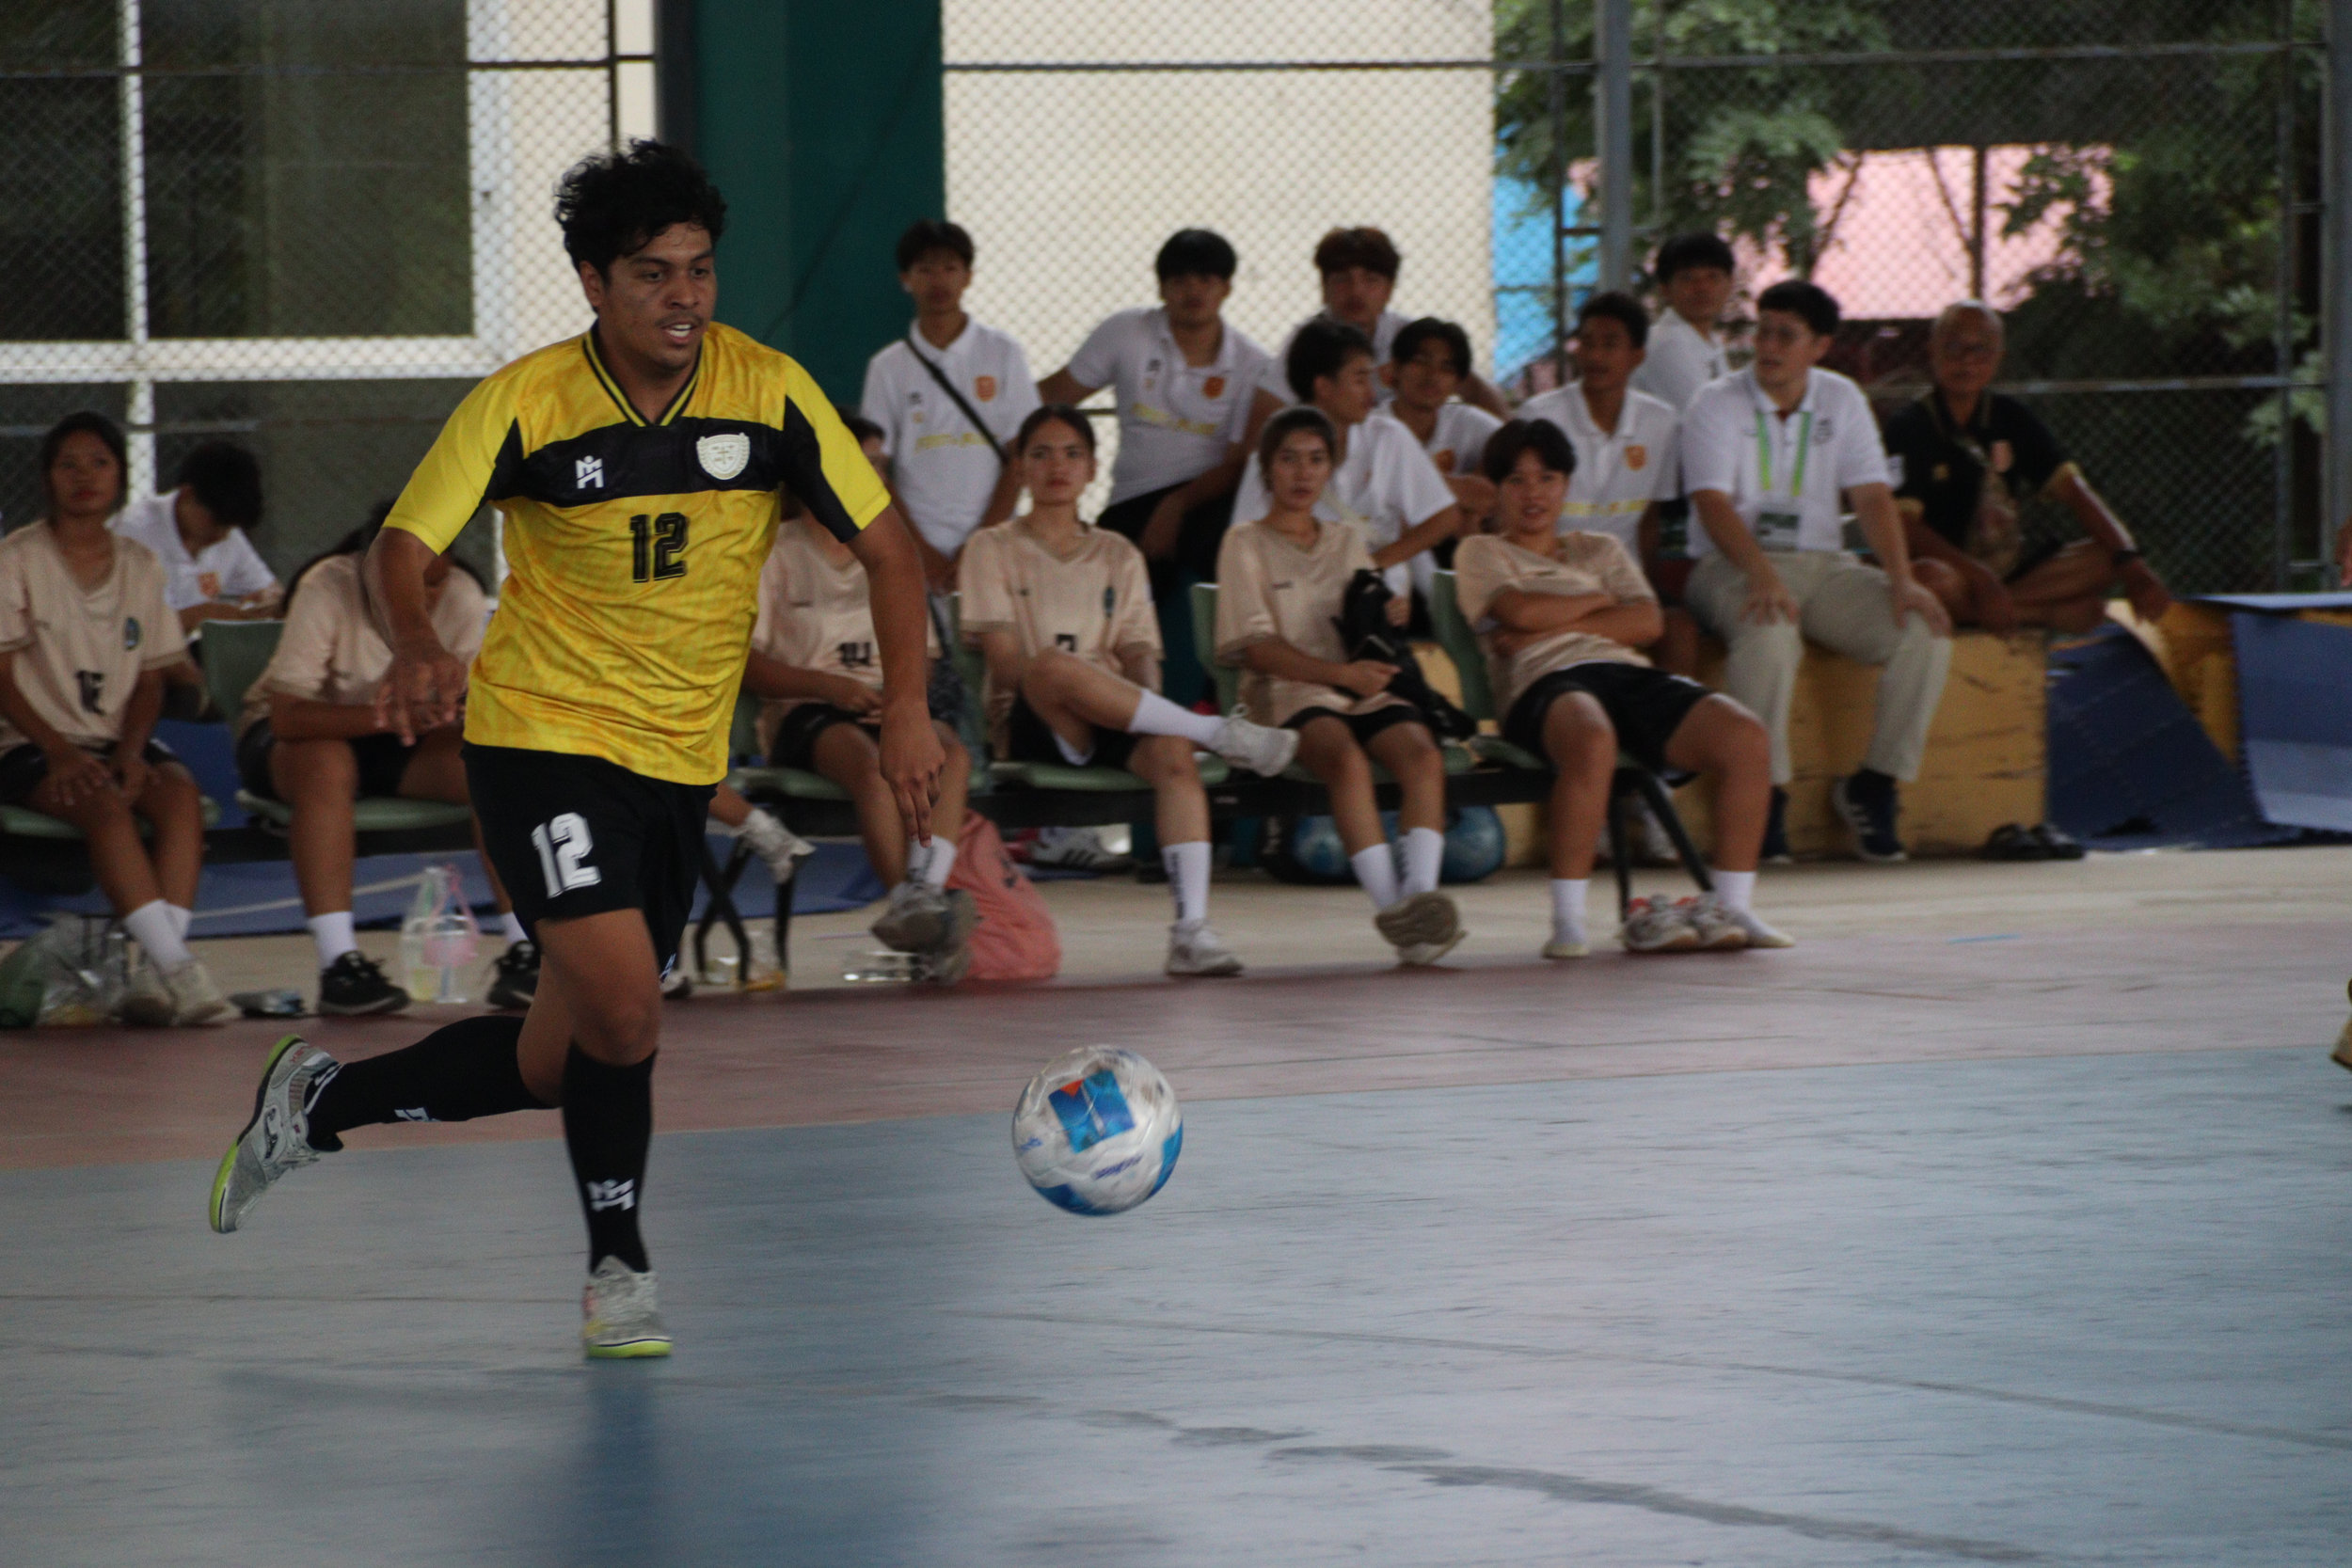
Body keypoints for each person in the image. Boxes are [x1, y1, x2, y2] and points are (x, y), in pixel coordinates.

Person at [206, 141, 944, 1364]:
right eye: (653, 274)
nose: (684, 298)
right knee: (627, 1002)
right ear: (594, 282)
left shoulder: (770, 393)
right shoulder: (525, 401)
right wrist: (414, 643)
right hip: (540, 739)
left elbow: (892, 551)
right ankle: (619, 1268)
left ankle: (318, 1100)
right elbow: (404, 547)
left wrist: (908, 704)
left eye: (700, 270)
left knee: (564, 1054)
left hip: (677, 764)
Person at [959, 405, 1298, 977]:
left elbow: (1141, 654)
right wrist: (1085, 685)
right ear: (1019, 469)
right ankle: (1219, 733)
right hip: (1034, 718)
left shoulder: (1119, 552)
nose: (1058, 466)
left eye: (1072, 454)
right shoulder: (991, 547)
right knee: (1052, 666)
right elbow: (1007, 667)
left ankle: (1190, 931)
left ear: (1093, 468)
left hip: (1113, 715)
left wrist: (1145, 711)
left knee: (1172, 754)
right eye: (1041, 454)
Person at [1454, 420, 1789, 958]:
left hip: (1624, 673)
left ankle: (1731, 908)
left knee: (1746, 736)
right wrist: (1598, 601)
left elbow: (1648, 623)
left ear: (1566, 485)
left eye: (1547, 478)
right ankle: (1568, 921)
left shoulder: (1601, 548)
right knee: (1592, 739)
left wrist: (1553, 620)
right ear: (1496, 490)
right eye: (1516, 481)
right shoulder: (1481, 551)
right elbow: (1520, 611)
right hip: (1543, 682)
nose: (1533, 493)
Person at [1680, 279, 1953, 863]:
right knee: (1770, 633)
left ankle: (1874, 784)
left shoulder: (1842, 398)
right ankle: (1764, 794)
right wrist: (1760, 572)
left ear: (1820, 346)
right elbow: (1711, 502)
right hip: (1731, 564)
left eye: (1786, 335)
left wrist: (1901, 579)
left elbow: (1873, 495)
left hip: (1825, 566)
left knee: (1923, 632)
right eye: (1763, 330)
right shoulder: (1715, 401)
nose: (1768, 346)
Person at [0, 412, 230, 1024]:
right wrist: (60, 752)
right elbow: (2, 676)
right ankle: (180, 970)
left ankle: (151, 974)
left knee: (179, 798)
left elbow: (150, 677)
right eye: (68, 464)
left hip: (113, 740)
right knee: (103, 803)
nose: (85, 477)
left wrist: (130, 751)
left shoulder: (140, 563)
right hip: (30, 744)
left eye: (99, 463)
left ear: (121, 477)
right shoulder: (17, 558)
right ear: (47, 477)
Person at [1216, 407, 1462, 966]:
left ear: (1330, 469)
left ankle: (1421, 900)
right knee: (1346, 761)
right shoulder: (1244, 542)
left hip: (1359, 686)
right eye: (1288, 459)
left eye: (1316, 460)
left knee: (1423, 755)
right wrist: (1339, 676)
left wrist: (1386, 613)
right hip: (1287, 693)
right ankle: (1396, 913)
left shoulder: (1348, 539)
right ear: (1266, 469)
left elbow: (1361, 623)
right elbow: (1257, 649)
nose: (1303, 473)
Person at [747, 420, 977, 980]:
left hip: (888, 702)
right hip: (807, 709)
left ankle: (923, 897)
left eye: (878, 464)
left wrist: (898, 699)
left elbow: (923, 656)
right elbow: (746, 665)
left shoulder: (891, 552)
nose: (869, 474)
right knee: (876, 768)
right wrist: (831, 687)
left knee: (949, 754)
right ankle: (910, 904)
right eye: (858, 460)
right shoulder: (772, 549)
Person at [1036, 228, 1268, 706]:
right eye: (1180, 279)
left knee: (1229, 550)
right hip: (1133, 500)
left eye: (1206, 279)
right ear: (1162, 287)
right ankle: (1103, 702)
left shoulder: (1251, 363)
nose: (1193, 291)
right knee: (1100, 584)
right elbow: (1053, 397)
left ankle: (1219, 702)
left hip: (1206, 499)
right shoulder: (1127, 332)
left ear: (1227, 287)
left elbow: (1239, 463)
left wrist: (1177, 506)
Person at [1884, 301, 2173, 634]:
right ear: (1932, 352)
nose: (1967, 360)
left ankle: (1992, 609)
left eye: (1981, 349)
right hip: (1953, 574)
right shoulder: (1909, 426)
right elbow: (1904, 525)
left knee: (2109, 556)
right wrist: (1979, 578)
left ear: (1999, 357)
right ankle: (2039, 614)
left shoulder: (2012, 418)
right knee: (1927, 578)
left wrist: (2131, 562)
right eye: (1954, 347)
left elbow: (2074, 491)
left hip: (2011, 572)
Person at [1517, 292, 1694, 673]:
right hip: (1554, 578)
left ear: (1637, 356)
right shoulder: (1540, 415)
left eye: (1610, 344)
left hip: (1622, 580)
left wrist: (1647, 585)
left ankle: (1669, 709)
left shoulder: (1661, 422)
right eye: (1587, 342)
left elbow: (1650, 520)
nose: (1595, 355)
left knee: (1680, 630)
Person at [860, 219, 1040, 592]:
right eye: (925, 270)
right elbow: (874, 469)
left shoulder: (1004, 353)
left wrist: (981, 543)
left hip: (997, 540)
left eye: (949, 268)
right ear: (905, 279)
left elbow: (1021, 456)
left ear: (968, 276)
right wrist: (917, 550)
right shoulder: (887, 367)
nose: (938, 280)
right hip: (915, 546)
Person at [1229, 319, 1463, 604]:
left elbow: (1444, 517)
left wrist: (1371, 565)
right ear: (1324, 387)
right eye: (1360, 380)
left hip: (1375, 601)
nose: (1372, 394)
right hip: (1297, 597)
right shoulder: (1271, 453)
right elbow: (1245, 544)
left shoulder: (1387, 438)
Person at [1251, 227, 1510, 435]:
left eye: (1371, 280)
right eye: (1342, 279)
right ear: (1324, 288)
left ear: (1389, 290)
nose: (1356, 291)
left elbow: (1475, 389)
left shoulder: (1409, 338)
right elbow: (1265, 418)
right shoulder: (1304, 344)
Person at [111, 440, 282, 635]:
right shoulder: (132, 533)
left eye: (229, 526)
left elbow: (268, 590)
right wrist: (201, 616)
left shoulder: (226, 534)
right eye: (216, 522)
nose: (222, 536)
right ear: (187, 495)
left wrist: (266, 602)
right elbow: (125, 625)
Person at [1381, 316, 1501, 527]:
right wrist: (1459, 489)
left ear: (1458, 383)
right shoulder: (1371, 427)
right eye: (1420, 361)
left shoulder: (1468, 422)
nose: (1432, 376)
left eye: (1447, 368)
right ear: (1395, 368)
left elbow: (1494, 492)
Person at [1629, 232, 1736, 413]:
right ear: (1665, 289)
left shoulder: (1711, 341)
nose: (1702, 288)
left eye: (1713, 277)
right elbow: (1710, 416)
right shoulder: (1666, 344)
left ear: (1730, 284)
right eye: (1688, 278)